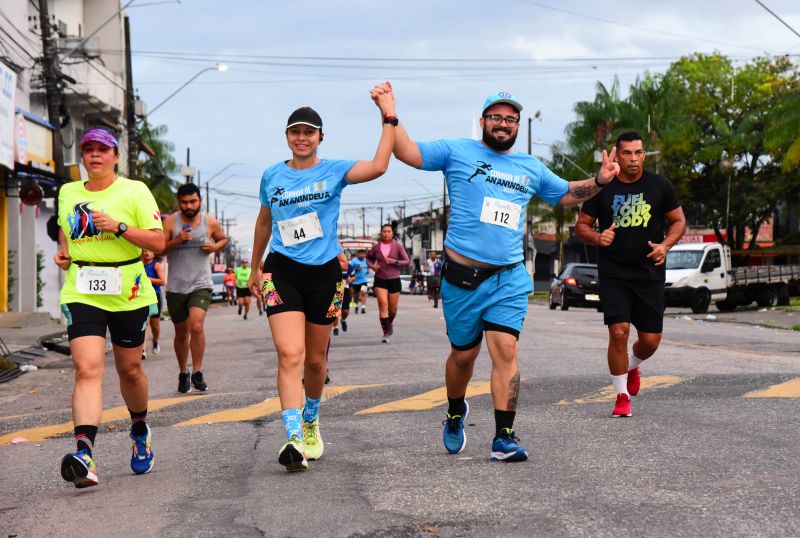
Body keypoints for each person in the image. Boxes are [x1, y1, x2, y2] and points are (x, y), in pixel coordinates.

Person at [380, 83, 619, 461]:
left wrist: (601, 180)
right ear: (483, 122)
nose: (503, 124)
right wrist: (390, 113)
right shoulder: (457, 151)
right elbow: (406, 151)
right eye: (496, 117)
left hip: (507, 276)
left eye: (510, 119)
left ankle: (504, 435)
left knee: (505, 349)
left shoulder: (530, 167)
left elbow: (569, 193)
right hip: (461, 278)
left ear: (517, 125)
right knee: (463, 357)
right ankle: (455, 409)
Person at [247, 89, 396, 471]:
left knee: (315, 360)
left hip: (326, 275)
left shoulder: (333, 171)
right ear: (286, 136)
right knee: (289, 354)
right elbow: (265, 221)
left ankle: (311, 419)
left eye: (309, 132)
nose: (302, 137)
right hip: (281, 271)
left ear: (320, 138)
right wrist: (254, 266)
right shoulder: (272, 175)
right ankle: (293, 436)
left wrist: (388, 115)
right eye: (295, 131)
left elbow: (379, 166)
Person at [54, 127, 165, 488]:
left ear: (116, 156)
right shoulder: (68, 192)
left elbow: (158, 241)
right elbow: (64, 228)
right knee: (86, 368)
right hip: (82, 288)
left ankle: (139, 428)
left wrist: (119, 227)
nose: (95, 155)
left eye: (103, 149)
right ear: (83, 157)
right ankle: (85, 454)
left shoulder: (135, 191)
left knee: (129, 370)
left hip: (127, 289)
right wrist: (65, 252)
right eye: (88, 150)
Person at [575, 131, 686, 418]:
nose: (634, 159)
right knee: (618, 332)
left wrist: (665, 245)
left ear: (644, 154)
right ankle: (621, 395)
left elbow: (678, 221)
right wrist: (597, 238)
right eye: (627, 153)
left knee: (650, 341)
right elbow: (582, 227)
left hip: (649, 272)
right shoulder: (603, 189)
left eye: (639, 153)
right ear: (617, 155)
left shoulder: (660, 185)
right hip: (614, 273)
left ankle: (633, 364)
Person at [161, 183, 228, 393]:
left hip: (201, 283)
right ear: (179, 202)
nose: (189, 205)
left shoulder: (210, 222)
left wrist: (214, 247)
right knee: (181, 333)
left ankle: (198, 372)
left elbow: (223, 239)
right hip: (176, 286)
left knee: (196, 326)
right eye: (184, 202)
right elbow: (159, 249)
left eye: (193, 201)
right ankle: (183, 372)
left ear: (200, 201)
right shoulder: (171, 222)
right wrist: (176, 240)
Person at [366, 225, 410, 343]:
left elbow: (407, 261)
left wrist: (393, 261)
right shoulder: (376, 247)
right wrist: (373, 266)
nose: (386, 233)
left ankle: (390, 322)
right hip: (380, 279)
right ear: (381, 233)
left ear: (392, 233)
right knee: (383, 304)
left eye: (388, 231)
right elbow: (368, 259)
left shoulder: (398, 246)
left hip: (394, 279)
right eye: (384, 231)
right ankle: (385, 333)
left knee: (393, 309)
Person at [141, 250, 166, 358]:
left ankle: (155, 342)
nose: (147, 253)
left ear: (154, 253)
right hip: (142, 296)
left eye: (150, 251)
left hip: (155, 296)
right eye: (144, 251)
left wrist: (148, 279)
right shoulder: (139, 265)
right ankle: (143, 350)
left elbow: (162, 281)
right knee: (144, 322)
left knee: (154, 325)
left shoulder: (156, 265)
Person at [333, 250, 355, 336]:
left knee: (345, 311)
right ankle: (336, 327)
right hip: (336, 288)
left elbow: (354, 276)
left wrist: (351, 280)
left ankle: (343, 320)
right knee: (335, 310)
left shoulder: (349, 266)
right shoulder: (331, 265)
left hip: (345, 287)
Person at [348, 249, 369, 314]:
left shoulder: (366, 261)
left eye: (363, 254)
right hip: (355, 281)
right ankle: (356, 305)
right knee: (356, 296)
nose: (362, 255)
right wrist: (357, 269)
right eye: (361, 253)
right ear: (358, 254)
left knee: (363, 293)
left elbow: (369, 267)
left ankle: (363, 307)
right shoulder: (353, 261)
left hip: (364, 280)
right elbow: (349, 271)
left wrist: (368, 270)